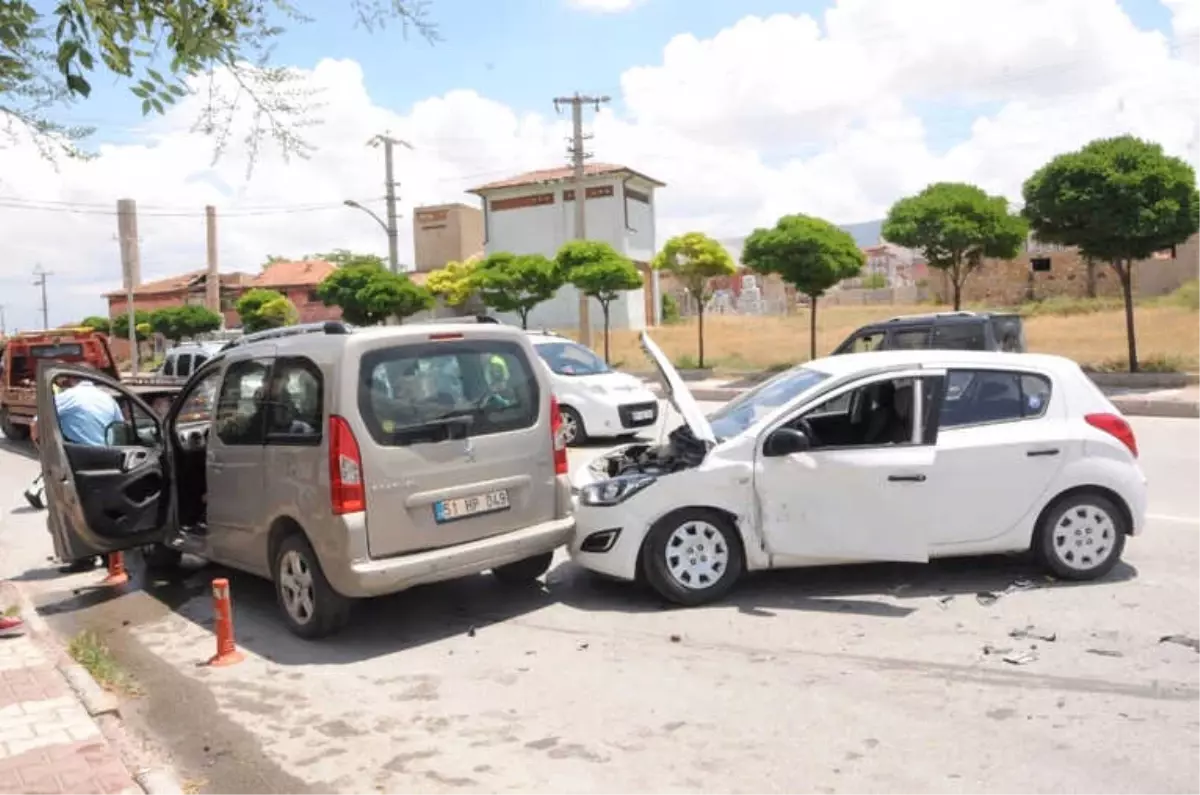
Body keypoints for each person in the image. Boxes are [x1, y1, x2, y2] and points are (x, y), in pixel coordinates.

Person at [29, 371, 123, 573]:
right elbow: (120, 427)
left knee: (73, 509)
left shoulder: (67, 397)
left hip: (78, 461)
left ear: (71, 381)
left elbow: (36, 423)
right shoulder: (107, 398)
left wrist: (43, 450)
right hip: (108, 459)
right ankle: (111, 558)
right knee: (104, 510)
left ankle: (84, 558)